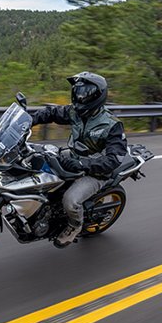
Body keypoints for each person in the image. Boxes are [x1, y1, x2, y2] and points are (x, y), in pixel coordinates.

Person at [30, 72, 127, 248]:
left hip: (97, 172)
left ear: (97, 96)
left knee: (70, 200)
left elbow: (113, 159)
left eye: (85, 93)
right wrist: (29, 120)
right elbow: (52, 112)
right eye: (78, 92)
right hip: (74, 157)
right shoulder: (75, 111)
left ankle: (74, 226)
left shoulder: (112, 125)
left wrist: (83, 164)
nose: (80, 97)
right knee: (37, 158)